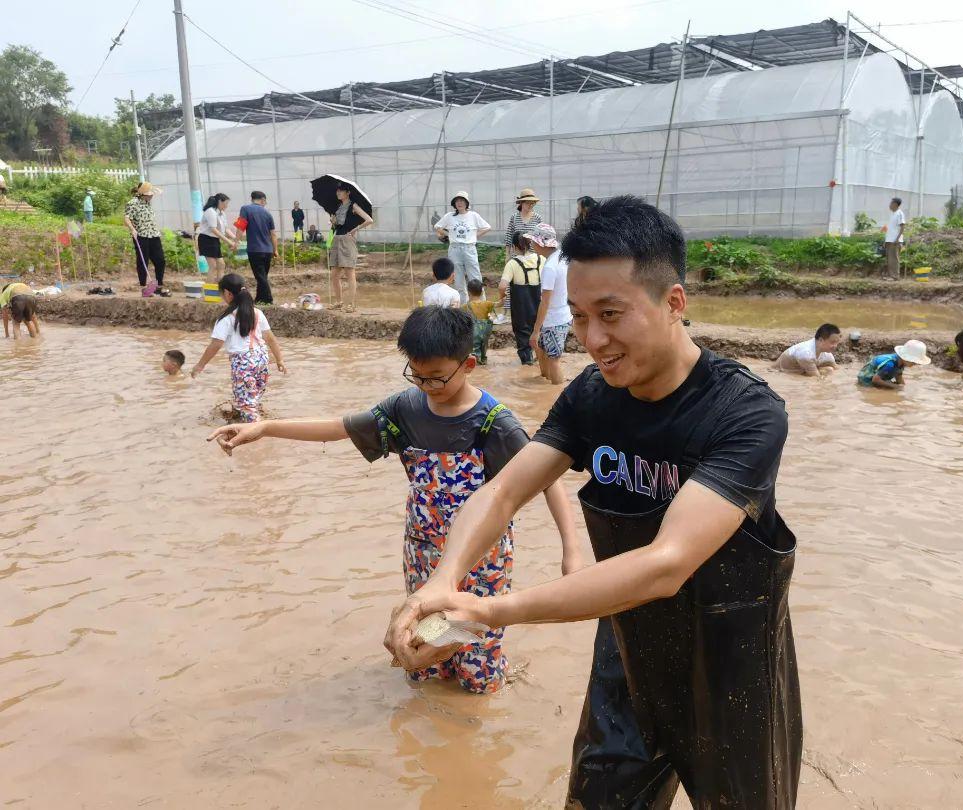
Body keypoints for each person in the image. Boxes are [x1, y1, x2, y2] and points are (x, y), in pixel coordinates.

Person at [385, 196, 801, 808]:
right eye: (578, 316)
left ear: (674, 303)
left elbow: (666, 565)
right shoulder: (591, 396)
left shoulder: (744, 412)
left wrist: (487, 612)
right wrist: (441, 583)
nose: (593, 339)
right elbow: (502, 491)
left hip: (734, 670)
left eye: (611, 314)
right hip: (628, 656)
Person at [207, 306, 583, 693]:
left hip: (482, 560)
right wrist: (265, 427)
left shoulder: (493, 423)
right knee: (423, 656)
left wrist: (570, 550)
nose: (426, 386)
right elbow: (340, 427)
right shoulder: (404, 409)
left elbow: (547, 480)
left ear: (468, 364)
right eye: (416, 375)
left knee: (477, 665)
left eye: (437, 378)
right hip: (422, 551)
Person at [190, 273, 286, 422]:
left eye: (221, 294)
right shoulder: (257, 313)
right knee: (252, 397)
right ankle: (239, 416)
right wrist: (280, 360)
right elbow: (271, 339)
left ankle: (255, 435)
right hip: (262, 360)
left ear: (228, 294)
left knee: (247, 406)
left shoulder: (226, 318)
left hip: (243, 364)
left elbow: (215, 344)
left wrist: (200, 365)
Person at [526, 224, 572, 385]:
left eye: (533, 241)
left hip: (554, 320)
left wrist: (535, 330)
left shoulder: (550, 267)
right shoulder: (562, 257)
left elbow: (545, 301)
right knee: (544, 353)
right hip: (562, 314)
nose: (531, 245)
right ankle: (544, 384)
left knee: (554, 360)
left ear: (541, 243)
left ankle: (556, 393)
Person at [435, 191, 490, 305]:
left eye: (462, 201)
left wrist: (475, 236)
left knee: (475, 277)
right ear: (454, 204)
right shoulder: (449, 216)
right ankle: (463, 308)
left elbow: (487, 227)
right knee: (458, 280)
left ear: (466, 203)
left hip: (469, 249)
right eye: (457, 201)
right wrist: (449, 235)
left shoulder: (473, 216)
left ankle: (481, 306)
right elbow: (438, 227)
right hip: (455, 249)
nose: (459, 203)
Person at [498, 231, 543, 365]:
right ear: (530, 244)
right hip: (541, 305)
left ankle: (527, 360)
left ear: (514, 246)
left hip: (521, 309)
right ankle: (542, 359)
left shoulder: (513, 263)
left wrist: (503, 296)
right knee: (540, 331)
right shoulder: (541, 259)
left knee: (523, 334)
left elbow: (502, 286)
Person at [329, 184, 375, 312]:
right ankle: (339, 301)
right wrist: (333, 222)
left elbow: (369, 220)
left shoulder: (353, 205)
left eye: (341, 191)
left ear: (347, 192)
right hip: (336, 239)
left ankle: (351, 304)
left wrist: (355, 229)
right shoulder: (338, 207)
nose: (338, 193)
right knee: (334, 274)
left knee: (350, 272)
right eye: (337, 191)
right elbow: (336, 226)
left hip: (347, 240)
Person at [124, 182, 168, 295]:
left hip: (153, 234)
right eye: (149, 194)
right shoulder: (133, 203)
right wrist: (132, 229)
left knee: (160, 260)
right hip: (141, 236)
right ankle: (144, 287)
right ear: (143, 194)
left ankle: (158, 285)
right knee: (143, 261)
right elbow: (127, 218)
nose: (151, 196)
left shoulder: (148, 203)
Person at [237, 191, 279, 306]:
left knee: (260, 276)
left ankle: (269, 299)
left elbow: (241, 227)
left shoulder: (245, 209)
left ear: (252, 199)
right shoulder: (268, 213)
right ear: (262, 200)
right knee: (262, 276)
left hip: (255, 249)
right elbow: (273, 234)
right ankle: (260, 298)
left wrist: (236, 242)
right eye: (265, 202)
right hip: (268, 250)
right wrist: (275, 250)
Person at [856, 339, 932, 389]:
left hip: (879, 374)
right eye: (914, 362)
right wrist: (895, 387)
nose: (915, 364)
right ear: (905, 358)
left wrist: (902, 387)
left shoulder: (901, 363)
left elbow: (898, 375)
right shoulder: (890, 365)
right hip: (867, 380)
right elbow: (875, 380)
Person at [774, 323, 842, 376]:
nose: (835, 346)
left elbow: (837, 370)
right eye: (832, 342)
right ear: (821, 340)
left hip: (799, 370)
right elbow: (815, 378)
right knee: (826, 371)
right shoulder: (806, 353)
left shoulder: (827, 355)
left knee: (829, 370)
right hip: (779, 372)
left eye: (837, 343)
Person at [197, 193, 237, 280]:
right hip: (206, 240)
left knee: (221, 264)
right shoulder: (210, 211)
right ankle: (209, 291)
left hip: (214, 240)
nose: (226, 206)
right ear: (219, 202)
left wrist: (235, 238)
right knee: (213, 265)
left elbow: (226, 229)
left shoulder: (221, 213)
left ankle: (220, 287)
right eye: (225, 204)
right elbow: (214, 230)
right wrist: (229, 241)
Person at [503, 188, 542, 263]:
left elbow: (540, 238)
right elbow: (508, 237)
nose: (530, 205)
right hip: (517, 256)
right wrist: (507, 255)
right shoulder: (514, 217)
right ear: (521, 203)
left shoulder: (537, 218)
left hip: (532, 256)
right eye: (528, 203)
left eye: (532, 203)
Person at [466, 278, 496, 365]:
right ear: (482, 292)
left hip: (473, 333)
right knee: (484, 348)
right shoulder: (487, 304)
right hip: (485, 333)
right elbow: (499, 304)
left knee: (474, 349)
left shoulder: (466, 306)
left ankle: (476, 361)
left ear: (468, 292)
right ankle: (483, 360)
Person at [884, 197, 905, 277]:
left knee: (894, 259)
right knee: (889, 259)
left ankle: (895, 276)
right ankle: (891, 275)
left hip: (895, 241)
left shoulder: (899, 213)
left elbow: (902, 226)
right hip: (889, 240)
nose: (889, 205)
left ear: (895, 204)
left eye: (891, 203)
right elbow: (891, 229)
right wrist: (886, 240)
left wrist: (897, 239)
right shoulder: (893, 214)